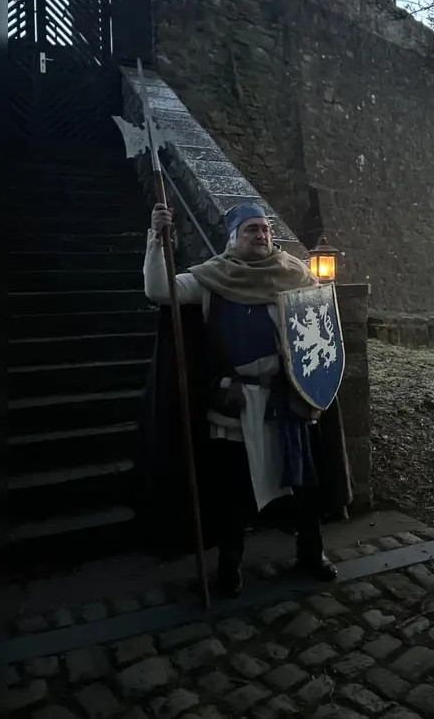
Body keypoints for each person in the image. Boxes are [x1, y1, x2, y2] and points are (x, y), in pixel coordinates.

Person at [141, 201, 353, 596]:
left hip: (287, 397)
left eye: (264, 229)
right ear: (233, 238)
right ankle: (229, 565)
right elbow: (157, 288)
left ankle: (311, 551)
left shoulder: (296, 275)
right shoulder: (212, 279)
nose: (260, 235)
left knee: (303, 482)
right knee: (233, 491)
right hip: (236, 402)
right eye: (250, 230)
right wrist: (158, 239)